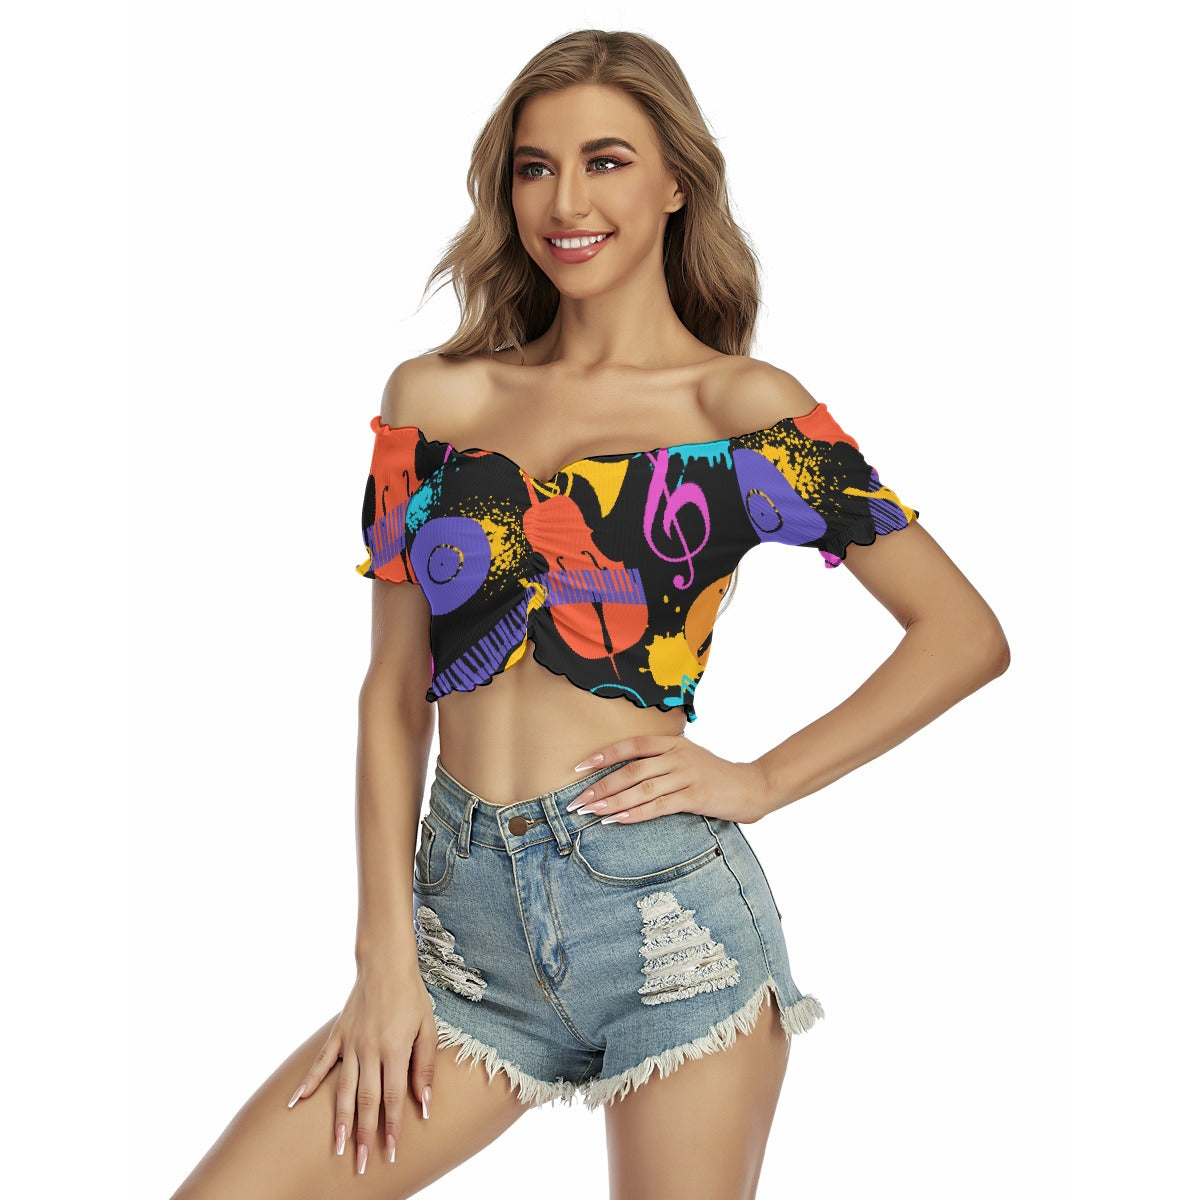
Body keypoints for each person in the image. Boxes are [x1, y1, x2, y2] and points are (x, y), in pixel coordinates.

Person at [171, 28, 1009, 1200]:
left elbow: (964, 634)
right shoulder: (437, 400)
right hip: (459, 937)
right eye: (535, 167)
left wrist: (762, 780)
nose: (565, 202)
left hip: (667, 924)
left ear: (676, 184)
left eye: (606, 161)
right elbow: (392, 691)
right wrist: (383, 957)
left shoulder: (740, 412)